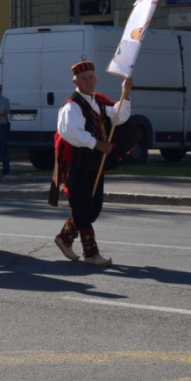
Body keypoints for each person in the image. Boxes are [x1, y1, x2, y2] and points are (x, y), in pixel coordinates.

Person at [53, 62, 133, 268]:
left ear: (96, 78)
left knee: (93, 209)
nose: (89, 81)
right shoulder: (71, 105)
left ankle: (65, 237)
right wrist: (99, 144)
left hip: (96, 163)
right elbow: (72, 133)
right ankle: (91, 253)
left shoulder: (99, 101)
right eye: (84, 78)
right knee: (83, 207)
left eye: (91, 77)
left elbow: (120, 116)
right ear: (75, 81)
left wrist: (125, 94)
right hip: (78, 163)